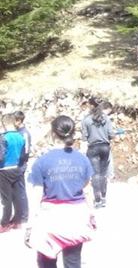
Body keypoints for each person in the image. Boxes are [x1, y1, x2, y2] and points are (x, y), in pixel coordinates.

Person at [25, 115, 95, 268]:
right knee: (73, 262)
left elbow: (36, 196)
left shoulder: (42, 162)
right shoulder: (83, 159)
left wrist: (30, 225)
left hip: (51, 218)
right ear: (72, 134)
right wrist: (92, 214)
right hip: (76, 217)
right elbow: (88, 190)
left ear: (53, 134)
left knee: (46, 262)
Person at [81, 99, 115, 208]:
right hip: (105, 147)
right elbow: (111, 134)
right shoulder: (106, 119)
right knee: (103, 173)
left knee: (95, 174)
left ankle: (97, 200)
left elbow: (84, 137)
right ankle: (104, 197)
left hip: (93, 147)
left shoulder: (86, 120)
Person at [1, 113, 27, 232]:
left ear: (5, 124)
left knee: (6, 198)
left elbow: (1, 156)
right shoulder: (21, 136)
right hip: (17, 168)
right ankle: (17, 221)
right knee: (17, 196)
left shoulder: (3, 137)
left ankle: (5, 223)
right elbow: (23, 154)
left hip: (4, 169)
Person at [13, 111, 31, 224]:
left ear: (19, 121)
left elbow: (26, 151)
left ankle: (24, 215)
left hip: (20, 164)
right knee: (15, 190)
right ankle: (18, 214)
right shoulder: (17, 133)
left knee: (20, 190)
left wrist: (20, 162)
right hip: (16, 165)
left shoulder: (24, 133)